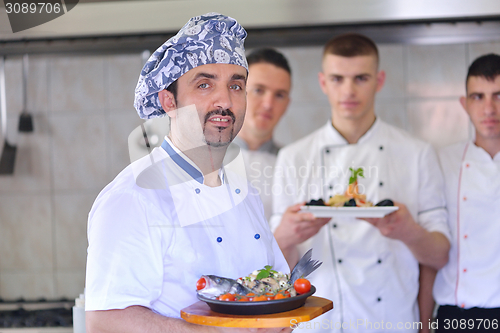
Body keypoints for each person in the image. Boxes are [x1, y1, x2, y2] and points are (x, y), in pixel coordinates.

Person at [85, 13, 291, 333]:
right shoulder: (134, 197)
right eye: (204, 84)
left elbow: (276, 289)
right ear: (169, 101)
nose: (225, 101)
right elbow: (106, 321)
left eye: (236, 85)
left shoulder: (245, 193)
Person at [270, 33, 451, 332]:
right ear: (323, 82)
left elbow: (440, 255)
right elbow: (279, 267)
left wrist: (410, 232)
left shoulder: (417, 153)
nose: (349, 90)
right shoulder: (293, 157)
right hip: (319, 322)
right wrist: (285, 237)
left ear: (379, 81)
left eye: (361, 78)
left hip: (391, 321)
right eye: (338, 78)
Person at [429, 53, 500, 332]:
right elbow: (431, 257)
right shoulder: (442, 162)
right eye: (478, 97)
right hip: (457, 317)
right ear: (464, 103)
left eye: (498, 95)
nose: (489, 108)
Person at [233, 48, 292, 221]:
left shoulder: (296, 164)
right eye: (259, 90)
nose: (268, 104)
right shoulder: (199, 162)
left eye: (279, 95)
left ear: (287, 104)